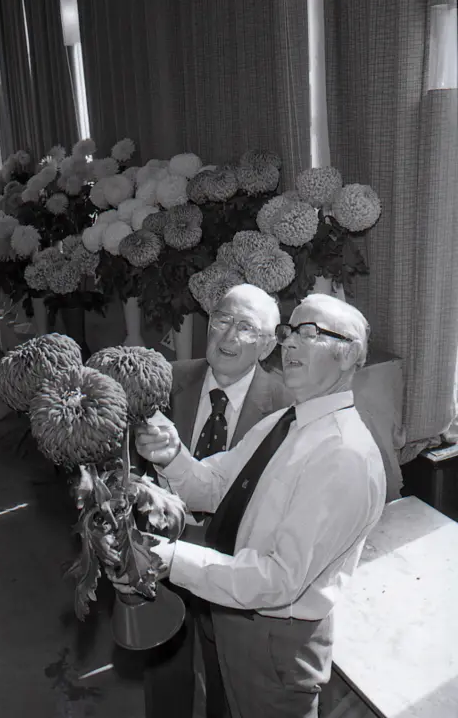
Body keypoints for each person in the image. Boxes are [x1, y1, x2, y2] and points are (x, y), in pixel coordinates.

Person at [127, 292, 387, 718]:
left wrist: (168, 559)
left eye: (311, 332)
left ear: (349, 356)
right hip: (235, 614)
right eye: (289, 331)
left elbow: (279, 580)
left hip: (274, 640)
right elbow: (213, 486)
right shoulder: (284, 423)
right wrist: (171, 456)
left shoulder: (343, 454)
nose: (289, 343)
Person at [142, 283, 293, 718]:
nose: (227, 337)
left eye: (245, 327)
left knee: (228, 684)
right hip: (161, 552)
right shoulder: (163, 379)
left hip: (236, 564)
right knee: (164, 673)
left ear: (267, 345)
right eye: (222, 320)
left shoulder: (286, 406)